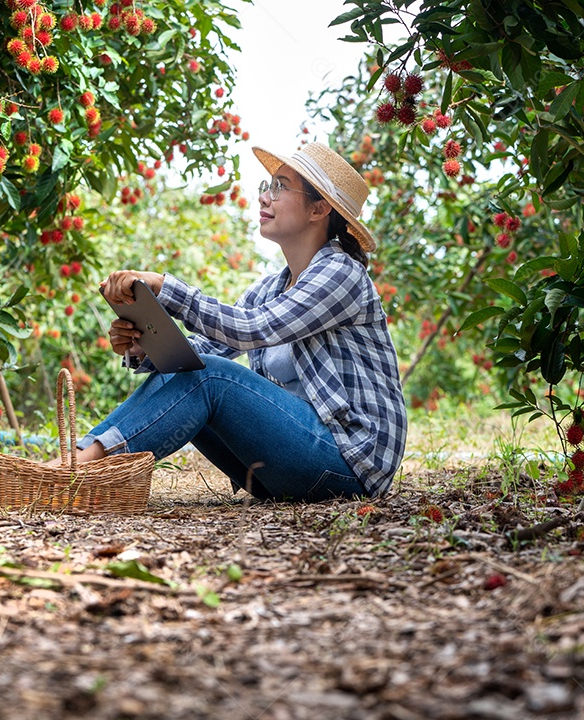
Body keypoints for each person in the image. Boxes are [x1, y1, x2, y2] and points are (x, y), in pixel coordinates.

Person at [80, 142, 407, 502]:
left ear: (319, 208)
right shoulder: (271, 288)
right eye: (267, 186)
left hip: (348, 465)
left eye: (280, 186)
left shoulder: (341, 272)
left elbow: (252, 328)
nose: (265, 198)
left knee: (210, 377)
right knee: (183, 367)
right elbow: (203, 351)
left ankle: (78, 468)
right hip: (283, 469)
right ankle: (85, 465)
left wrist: (166, 287)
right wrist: (145, 347)